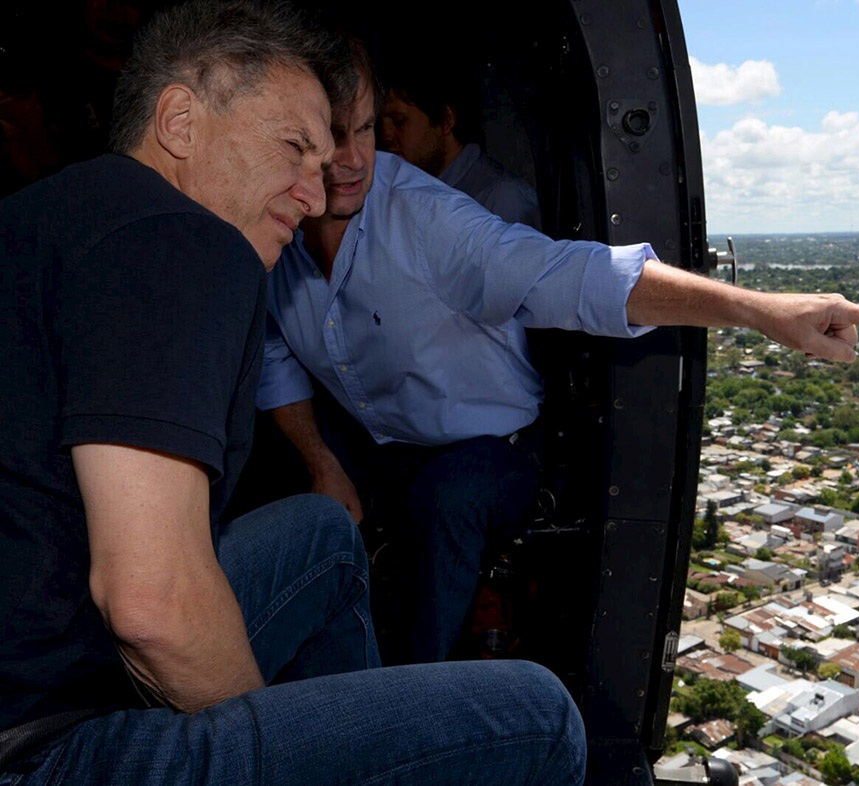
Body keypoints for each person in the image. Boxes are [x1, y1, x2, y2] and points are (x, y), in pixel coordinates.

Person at [0, 3, 586, 784]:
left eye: (330, 160)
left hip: (42, 653)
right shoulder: (182, 240)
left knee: (321, 536)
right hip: (45, 745)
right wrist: (272, 739)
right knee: (540, 716)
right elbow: (151, 605)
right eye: (295, 149)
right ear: (179, 120)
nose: (315, 196)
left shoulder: (48, 214)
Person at [259, 42, 859, 667]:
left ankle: (412, 699)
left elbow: (566, 276)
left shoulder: (427, 218)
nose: (350, 161)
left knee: (446, 500)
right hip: (374, 439)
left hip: (488, 447)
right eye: (322, 139)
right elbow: (275, 353)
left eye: (368, 130)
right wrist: (321, 463)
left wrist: (757, 310)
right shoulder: (263, 220)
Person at [380, 65, 541, 229]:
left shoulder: (501, 199)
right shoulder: (400, 193)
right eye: (379, 124)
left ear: (446, 120)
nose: (386, 134)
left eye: (399, 121)